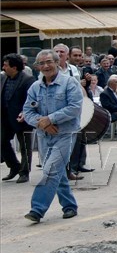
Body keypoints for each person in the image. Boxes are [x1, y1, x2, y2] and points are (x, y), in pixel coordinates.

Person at [21, 49, 82, 223]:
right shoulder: (35, 87)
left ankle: (37, 209)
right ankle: (70, 206)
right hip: (44, 136)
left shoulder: (70, 83)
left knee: (50, 171)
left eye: (49, 62)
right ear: (37, 66)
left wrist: (51, 119)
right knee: (58, 172)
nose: (46, 66)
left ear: (57, 62)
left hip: (65, 134)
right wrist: (42, 123)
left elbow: (75, 107)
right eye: (42, 63)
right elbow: (27, 111)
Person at [2, 54, 36, 182]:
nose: (3, 67)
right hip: (5, 118)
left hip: (22, 118)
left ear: (14, 67)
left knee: (25, 147)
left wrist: (25, 112)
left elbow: (32, 100)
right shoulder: (3, 78)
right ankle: (14, 166)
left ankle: (24, 172)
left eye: (6, 65)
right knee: (2, 142)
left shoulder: (28, 80)